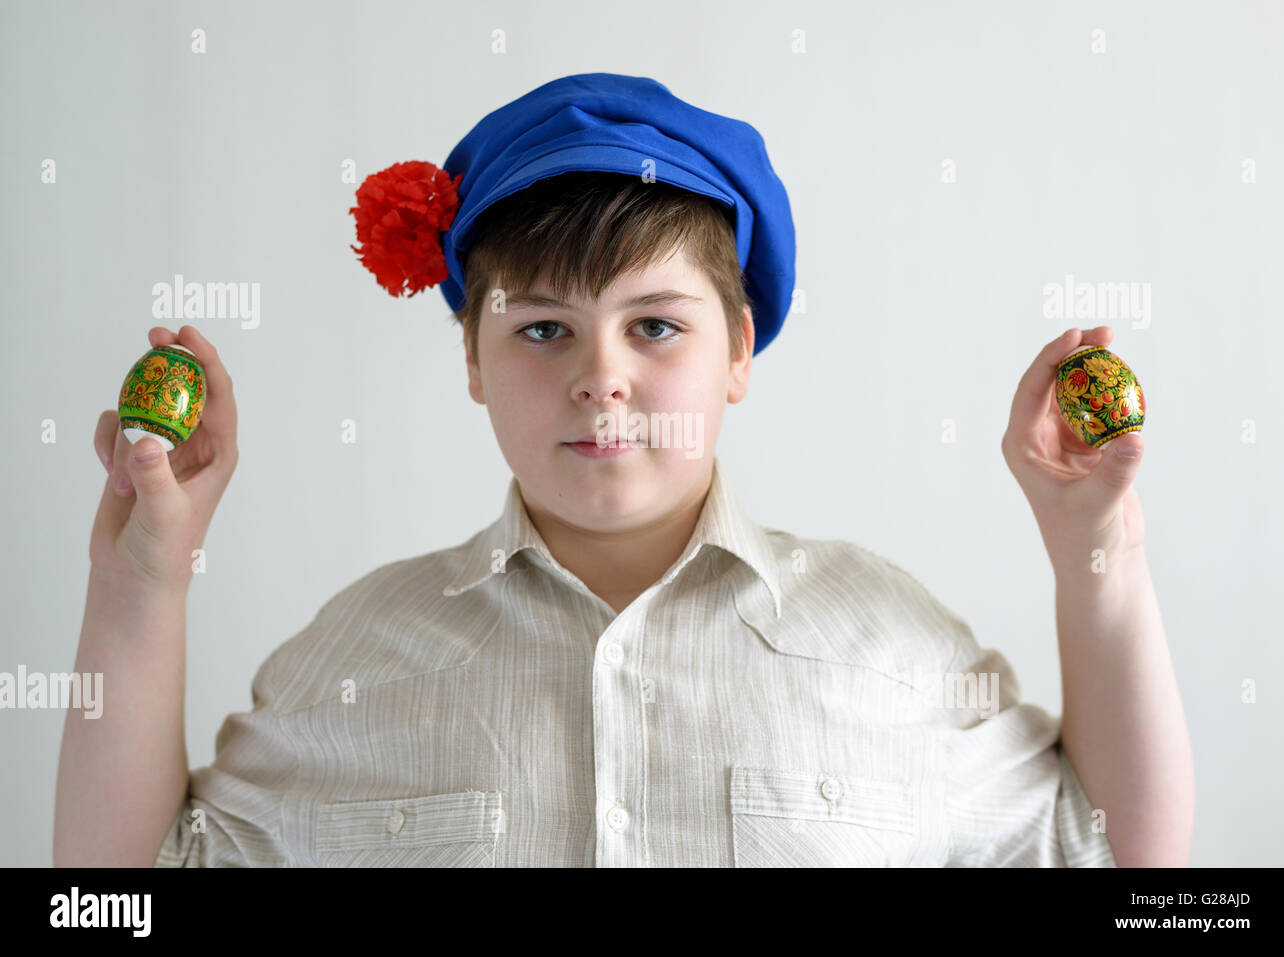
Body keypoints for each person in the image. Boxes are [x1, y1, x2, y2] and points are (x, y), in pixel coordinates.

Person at [54, 73, 1191, 868]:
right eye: (543, 330)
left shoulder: (887, 642)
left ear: (737, 350)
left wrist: (1096, 547)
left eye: (654, 326)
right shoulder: (356, 654)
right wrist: (140, 583)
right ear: (472, 360)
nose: (602, 380)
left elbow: (1120, 872)